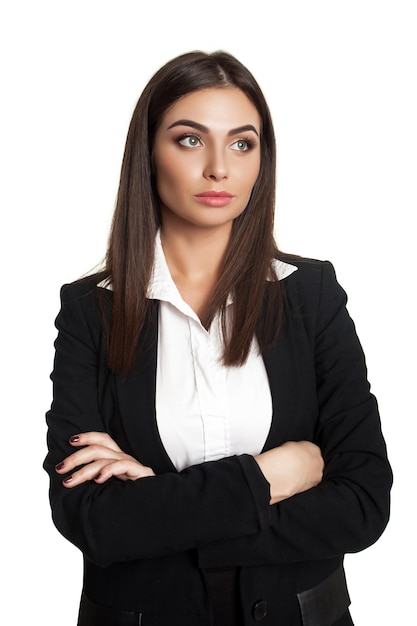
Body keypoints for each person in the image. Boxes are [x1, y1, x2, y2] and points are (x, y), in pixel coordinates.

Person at [43, 50, 392, 626]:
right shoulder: (89, 311)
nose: (218, 169)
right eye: (188, 140)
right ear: (148, 153)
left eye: (241, 143)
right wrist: (272, 477)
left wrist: (164, 507)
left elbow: (362, 506)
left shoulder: (312, 296)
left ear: (261, 161)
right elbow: (92, 520)